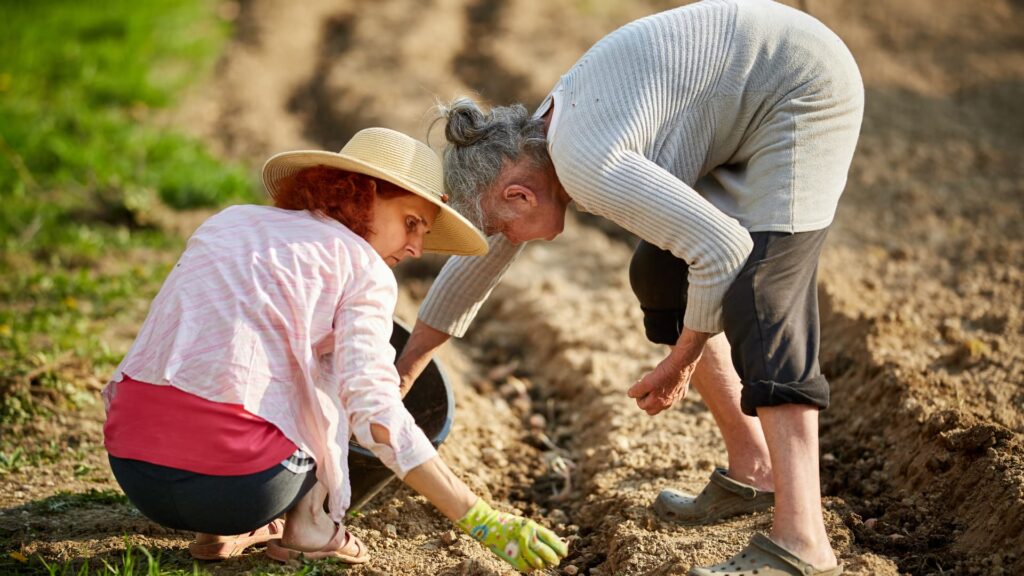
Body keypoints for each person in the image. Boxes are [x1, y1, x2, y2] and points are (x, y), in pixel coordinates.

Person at [395, 1, 863, 575]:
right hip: (743, 97)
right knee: (660, 273)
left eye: (498, 225)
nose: (502, 241)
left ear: (518, 196)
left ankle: (803, 542)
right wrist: (410, 361)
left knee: (762, 297)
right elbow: (479, 263)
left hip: (799, 87)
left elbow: (725, 252)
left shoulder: (584, 162)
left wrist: (682, 359)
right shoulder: (536, 144)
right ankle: (755, 471)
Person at [102, 128, 568, 572]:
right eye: (410, 224)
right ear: (360, 193)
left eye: (422, 233)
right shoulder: (363, 267)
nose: (414, 248)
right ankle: (310, 528)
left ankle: (215, 533)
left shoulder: (231, 221)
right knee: (334, 369)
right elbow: (373, 409)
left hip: (135, 468)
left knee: (247, 347)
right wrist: (479, 516)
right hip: (242, 488)